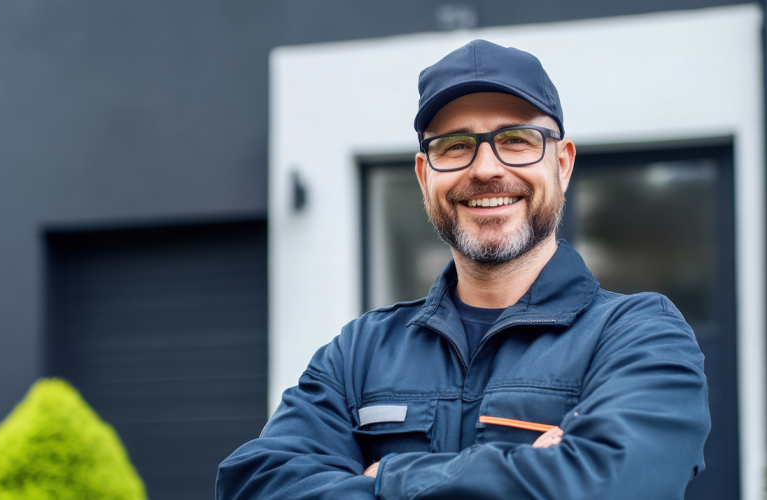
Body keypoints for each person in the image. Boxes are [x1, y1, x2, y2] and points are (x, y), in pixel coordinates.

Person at [216, 39, 710, 499]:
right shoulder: (360, 352)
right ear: (423, 174)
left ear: (562, 163)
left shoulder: (639, 336)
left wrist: (386, 476)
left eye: (516, 139)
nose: (485, 168)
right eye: (453, 145)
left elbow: (611, 483)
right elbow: (256, 482)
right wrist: (532, 472)